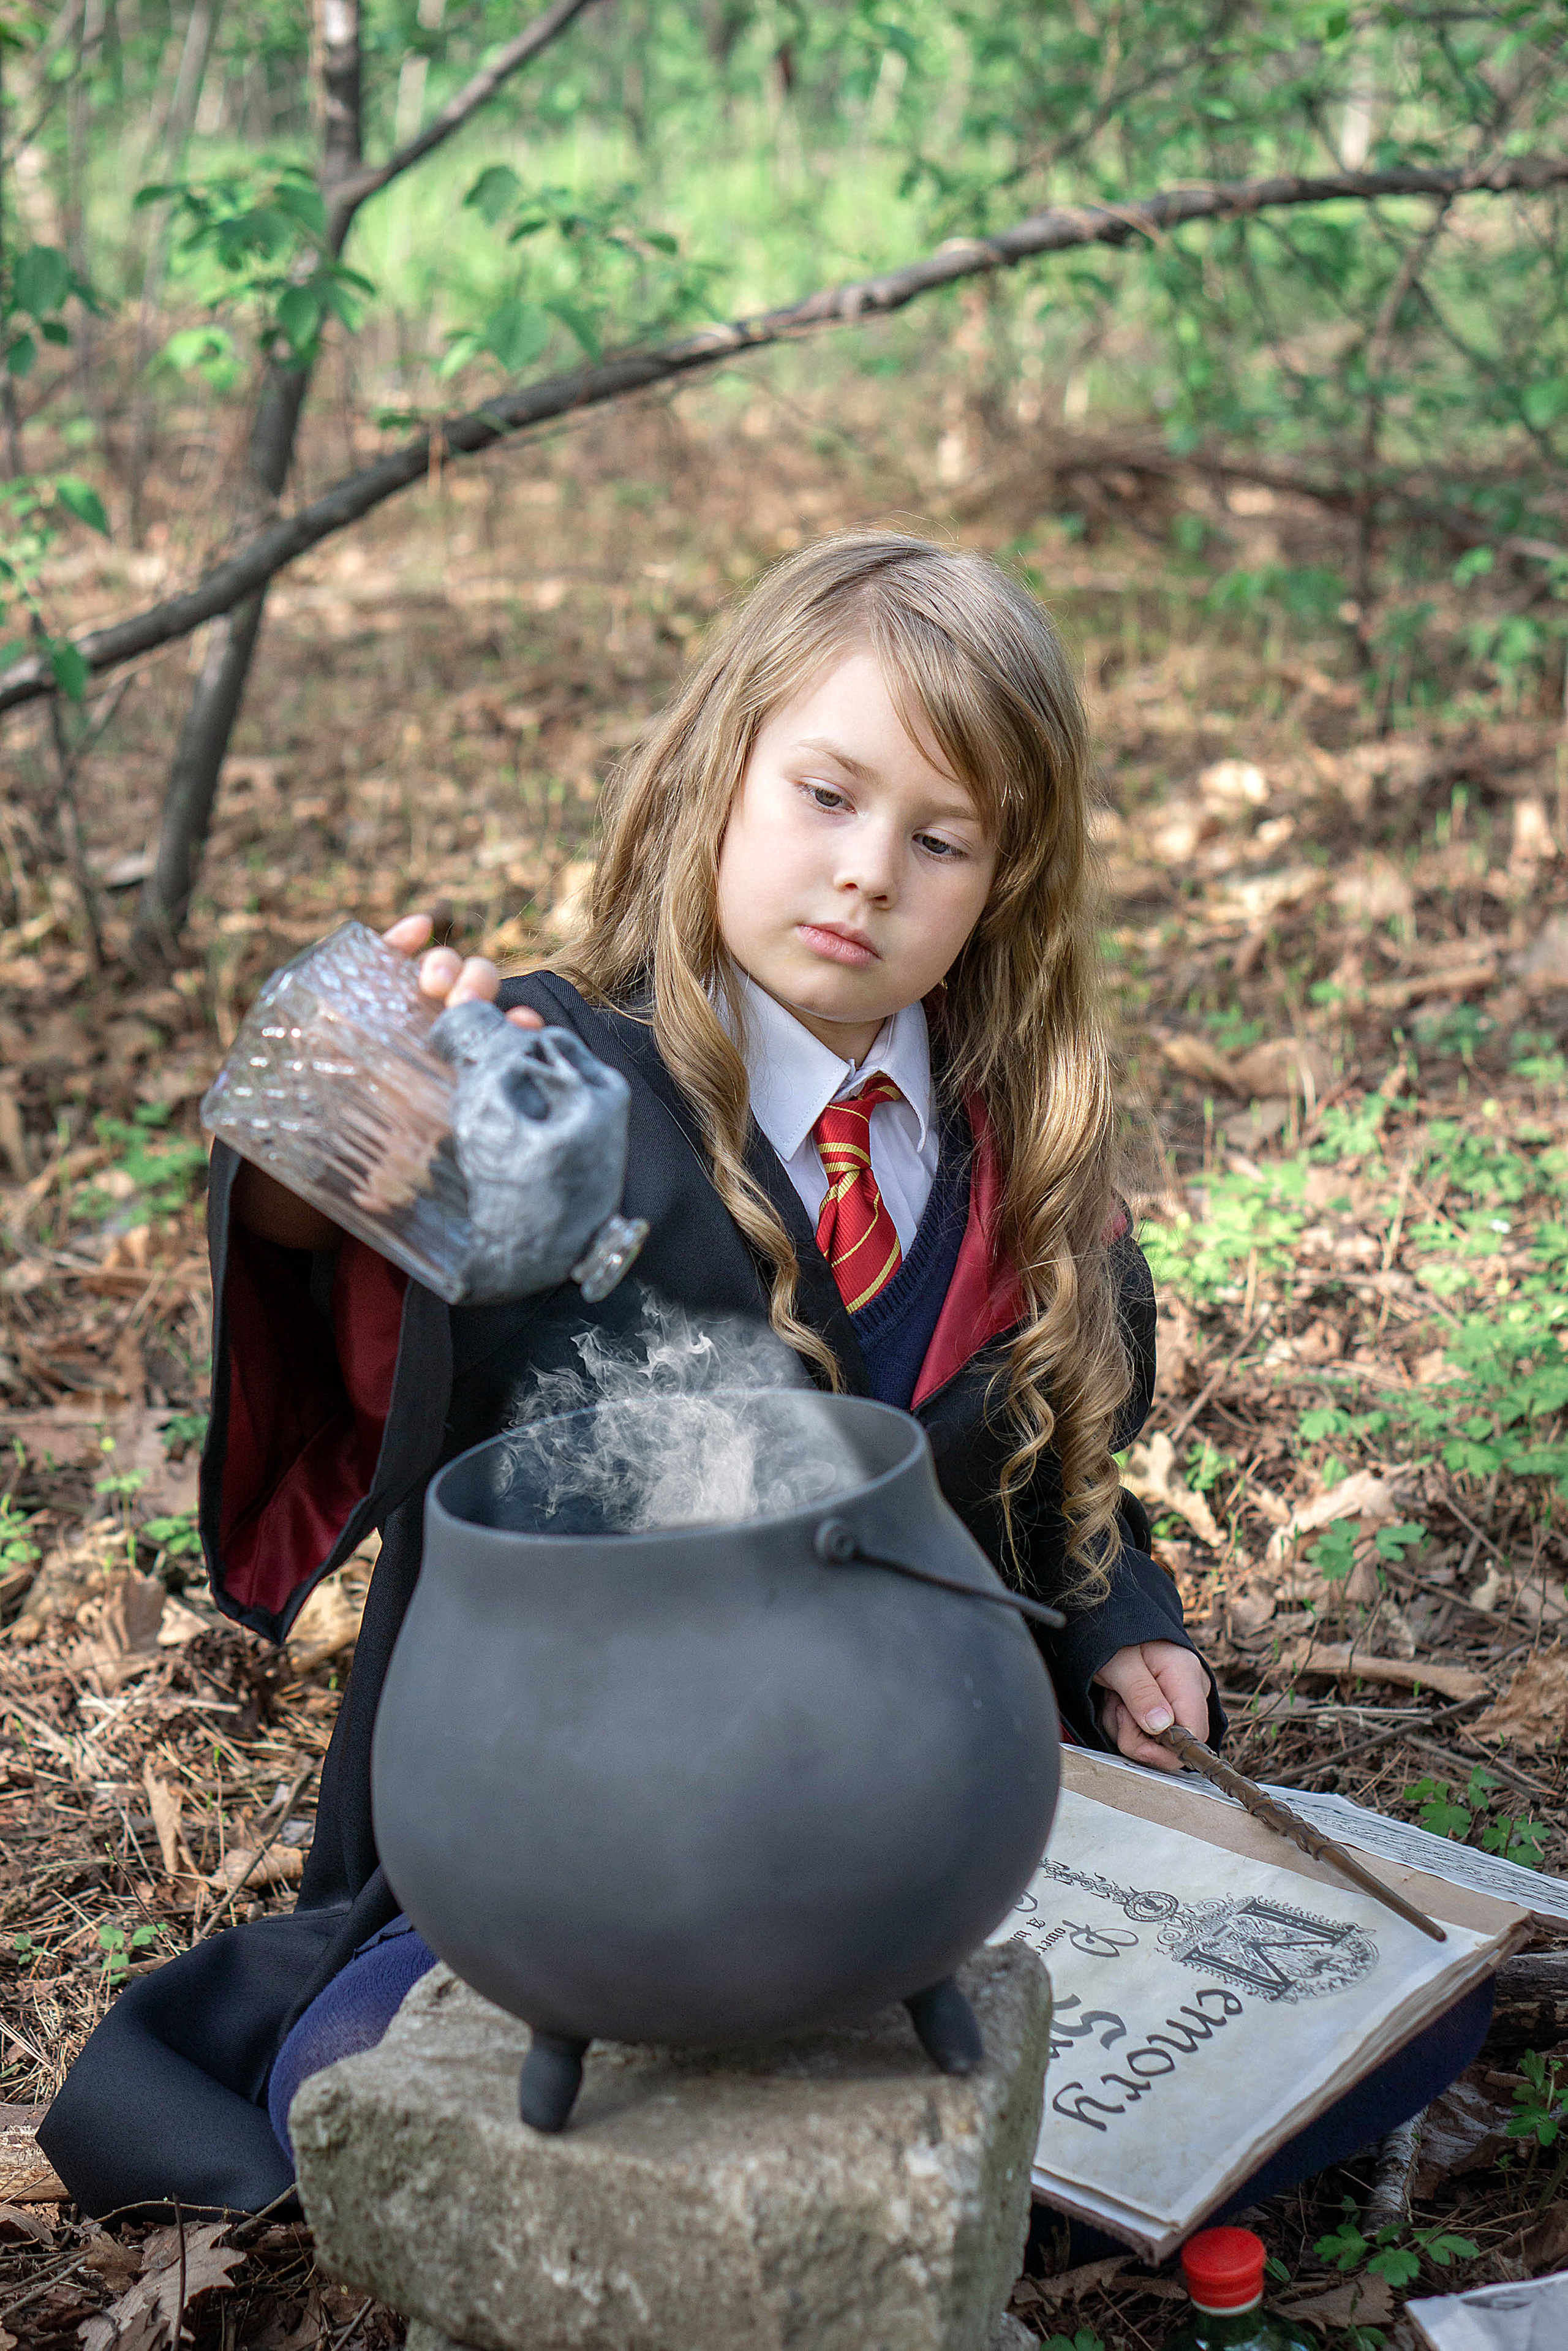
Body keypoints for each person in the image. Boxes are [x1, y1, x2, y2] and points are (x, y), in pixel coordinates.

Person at [39, 532, 1487, 2225]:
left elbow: (1026, 1489)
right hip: (588, 1821)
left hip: (917, 1810)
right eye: (825, 795)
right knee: (376, 2074)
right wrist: (355, 1127)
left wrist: (1114, 1622)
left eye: (937, 841)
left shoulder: (1013, 1164)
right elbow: (339, 1279)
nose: (867, 872)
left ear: (1000, 890)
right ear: (717, 777)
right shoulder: (544, 1089)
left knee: (1369, 2016)